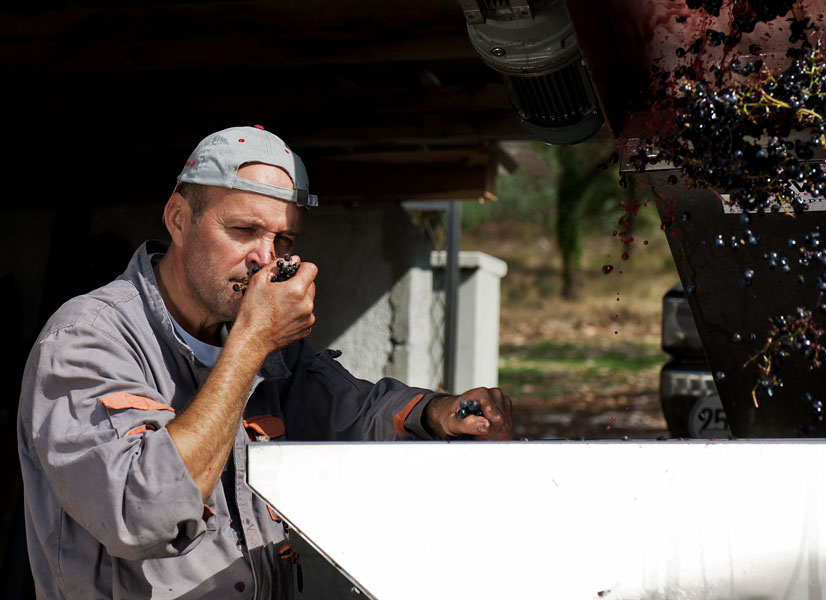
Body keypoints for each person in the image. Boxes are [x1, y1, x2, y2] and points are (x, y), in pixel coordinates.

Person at [17, 125, 514, 599]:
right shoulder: (86, 338)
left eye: (284, 241)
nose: (265, 258)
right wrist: (250, 346)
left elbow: (350, 412)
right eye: (244, 229)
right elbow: (143, 512)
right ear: (178, 219)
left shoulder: (257, 341)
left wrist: (437, 412)